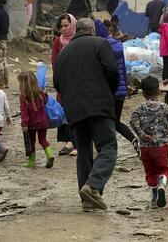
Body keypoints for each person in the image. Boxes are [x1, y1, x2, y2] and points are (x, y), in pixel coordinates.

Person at [53, 18, 119, 211]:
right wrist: (108, 93)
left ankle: (87, 201)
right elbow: (112, 71)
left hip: (74, 110)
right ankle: (94, 186)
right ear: (91, 29)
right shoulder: (100, 43)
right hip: (99, 105)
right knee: (108, 146)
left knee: (83, 151)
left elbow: (57, 83)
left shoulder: (63, 53)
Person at [129, 76, 168, 208]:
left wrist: (141, 135)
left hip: (145, 148)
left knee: (150, 171)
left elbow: (132, 121)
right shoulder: (164, 107)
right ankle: (162, 184)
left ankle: (154, 197)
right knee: (163, 169)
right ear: (159, 91)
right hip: (161, 146)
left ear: (143, 93)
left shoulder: (139, 108)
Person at [94, 19, 138, 154]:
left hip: (107, 91)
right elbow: (123, 70)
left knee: (101, 121)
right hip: (120, 91)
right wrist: (125, 89)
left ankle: (105, 150)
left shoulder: (100, 47)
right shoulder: (117, 45)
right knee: (115, 121)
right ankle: (134, 140)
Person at [50, 13, 77, 156]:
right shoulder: (57, 42)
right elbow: (54, 62)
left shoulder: (79, 40)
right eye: (61, 26)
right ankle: (68, 141)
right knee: (64, 112)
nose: (64, 29)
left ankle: (76, 142)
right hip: (63, 83)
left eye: (66, 25)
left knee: (76, 112)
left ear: (73, 24)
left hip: (77, 83)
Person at [18, 71, 54, 169]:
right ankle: (50, 154)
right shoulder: (40, 93)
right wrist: (45, 93)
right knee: (43, 140)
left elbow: (24, 112)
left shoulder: (24, 97)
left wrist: (24, 124)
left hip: (31, 124)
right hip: (43, 122)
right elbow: (46, 100)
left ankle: (31, 162)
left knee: (31, 142)